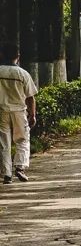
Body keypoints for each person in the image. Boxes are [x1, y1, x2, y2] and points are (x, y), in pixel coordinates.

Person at [0, 41, 37, 185]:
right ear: (18, 56)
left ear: (1, 55)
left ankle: (7, 174)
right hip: (19, 112)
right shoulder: (23, 74)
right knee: (22, 140)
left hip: (2, 111)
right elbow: (30, 97)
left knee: (4, 143)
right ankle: (20, 167)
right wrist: (32, 114)